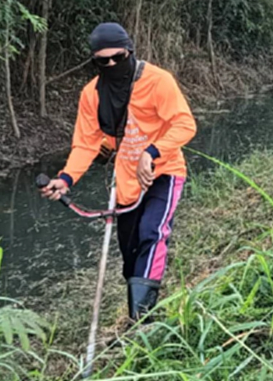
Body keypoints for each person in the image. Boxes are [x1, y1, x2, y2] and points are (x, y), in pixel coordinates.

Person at [39, 23, 197, 321]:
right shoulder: (91, 95)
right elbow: (86, 145)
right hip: (126, 183)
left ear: (131, 52)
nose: (112, 64)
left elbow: (185, 124)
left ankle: (142, 321)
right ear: (95, 62)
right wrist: (65, 179)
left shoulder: (158, 81)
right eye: (103, 61)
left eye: (119, 57)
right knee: (131, 253)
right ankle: (139, 310)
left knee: (153, 233)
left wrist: (151, 153)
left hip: (164, 170)